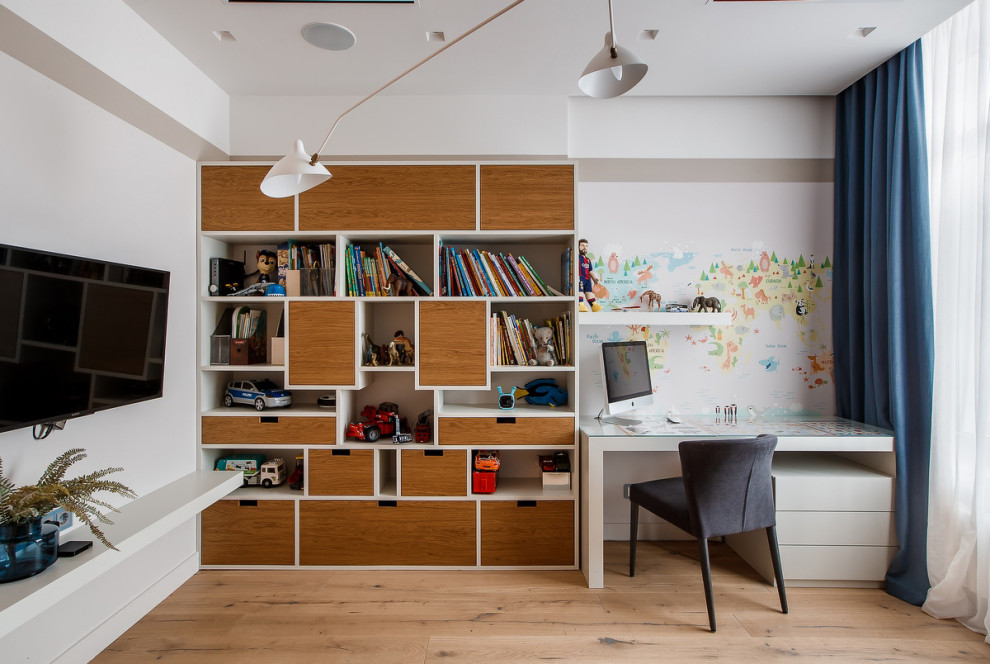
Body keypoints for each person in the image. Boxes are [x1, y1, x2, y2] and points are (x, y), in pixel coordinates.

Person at [578, 238, 602, 312]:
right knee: (580, 291)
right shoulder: (577, 257)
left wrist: (595, 278)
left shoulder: (588, 260)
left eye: (586, 246)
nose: (585, 247)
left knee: (589, 292)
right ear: (578, 247)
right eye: (582, 245)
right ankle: (580, 304)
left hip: (588, 279)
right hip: (580, 278)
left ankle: (594, 305)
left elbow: (590, 271)